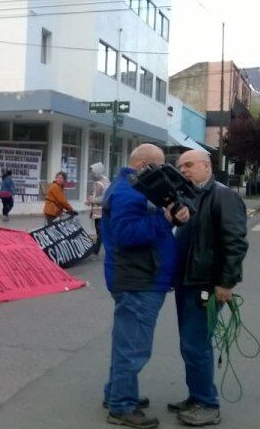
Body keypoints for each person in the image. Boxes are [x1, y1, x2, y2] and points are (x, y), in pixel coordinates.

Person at [101, 144, 190, 429]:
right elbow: (127, 234)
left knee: (126, 343)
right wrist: (164, 219)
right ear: (142, 164)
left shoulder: (131, 187)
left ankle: (117, 394)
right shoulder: (129, 190)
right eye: (159, 166)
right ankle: (121, 407)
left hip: (139, 278)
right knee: (134, 347)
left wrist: (167, 217)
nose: (164, 172)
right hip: (139, 280)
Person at [168, 150, 249, 426]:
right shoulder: (190, 195)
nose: (184, 170)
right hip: (186, 282)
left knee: (197, 345)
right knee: (189, 345)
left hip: (204, 284)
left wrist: (226, 283)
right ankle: (197, 395)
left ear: (207, 166)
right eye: (181, 167)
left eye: (189, 165)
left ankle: (207, 403)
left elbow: (235, 243)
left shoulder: (223, 196)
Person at [86, 162, 111, 259]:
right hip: (99, 211)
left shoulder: (101, 183)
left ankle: (96, 251)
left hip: (100, 212)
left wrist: (92, 200)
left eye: (93, 172)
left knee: (100, 232)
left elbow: (103, 198)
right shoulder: (105, 181)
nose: (92, 174)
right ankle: (98, 251)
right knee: (101, 232)